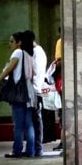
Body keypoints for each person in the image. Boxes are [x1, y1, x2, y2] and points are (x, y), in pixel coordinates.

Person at [0, 31, 36, 158]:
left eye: (12, 41)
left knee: (18, 124)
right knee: (29, 124)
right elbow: (33, 73)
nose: (9, 44)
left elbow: (9, 69)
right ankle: (30, 150)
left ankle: (17, 150)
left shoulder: (18, 52)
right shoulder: (29, 54)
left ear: (19, 42)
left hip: (19, 93)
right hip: (29, 92)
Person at [23, 29, 46, 157]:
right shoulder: (39, 51)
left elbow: (34, 73)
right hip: (36, 90)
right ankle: (35, 148)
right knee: (35, 120)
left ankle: (37, 148)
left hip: (34, 90)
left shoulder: (36, 53)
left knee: (35, 121)